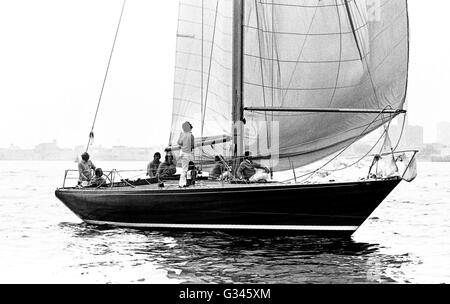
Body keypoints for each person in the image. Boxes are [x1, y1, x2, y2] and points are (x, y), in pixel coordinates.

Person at [177, 121, 195, 187]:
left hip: (182, 152)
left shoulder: (182, 134)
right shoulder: (191, 136)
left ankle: (184, 182)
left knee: (184, 169)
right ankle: (182, 184)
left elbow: (179, 142)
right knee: (186, 169)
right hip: (187, 153)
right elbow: (192, 146)